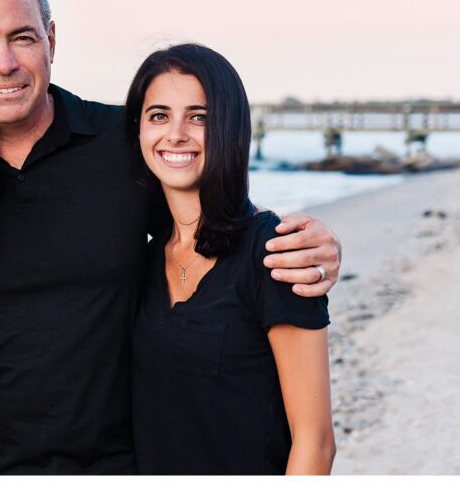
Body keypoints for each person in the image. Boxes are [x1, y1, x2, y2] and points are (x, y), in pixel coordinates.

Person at [0, 0, 343, 473]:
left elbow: (211, 218)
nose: (5, 62)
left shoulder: (123, 143)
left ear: (51, 39)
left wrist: (313, 241)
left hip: (118, 464)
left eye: (23, 37)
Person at [126, 44, 334, 474]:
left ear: (230, 129)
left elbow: (315, 444)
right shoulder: (142, 259)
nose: (176, 133)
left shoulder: (276, 254)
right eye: (159, 115)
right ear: (139, 130)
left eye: (199, 117)